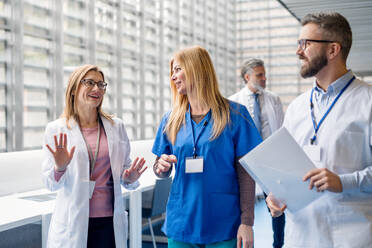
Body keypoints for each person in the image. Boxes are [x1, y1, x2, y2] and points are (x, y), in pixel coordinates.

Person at [266, 12, 372, 247]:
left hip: (352, 237)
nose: (298, 51)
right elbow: (282, 166)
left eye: (305, 43)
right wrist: (276, 195)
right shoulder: (296, 108)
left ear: (333, 50)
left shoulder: (368, 101)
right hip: (300, 237)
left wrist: (344, 181)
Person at [152, 46, 262, 248]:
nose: (173, 77)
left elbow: (246, 172)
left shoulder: (235, 115)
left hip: (224, 224)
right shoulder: (171, 119)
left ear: (196, 69)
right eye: (172, 72)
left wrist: (247, 222)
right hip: (181, 221)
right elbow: (160, 168)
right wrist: (160, 167)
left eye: (178, 69)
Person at [42, 64, 147, 248]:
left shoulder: (116, 126)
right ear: (74, 89)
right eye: (89, 82)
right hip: (72, 222)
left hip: (109, 222)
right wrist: (60, 168)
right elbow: (51, 184)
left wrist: (128, 177)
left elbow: (124, 169)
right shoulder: (56, 129)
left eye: (101, 84)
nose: (97, 89)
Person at [229, 58, 285, 248]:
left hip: (269, 160)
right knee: (241, 205)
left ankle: (278, 243)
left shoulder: (274, 99)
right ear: (247, 77)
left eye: (264, 74)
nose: (264, 78)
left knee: (277, 205)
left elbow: (281, 130)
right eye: (259, 75)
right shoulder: (233, 102)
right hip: (245, 161)